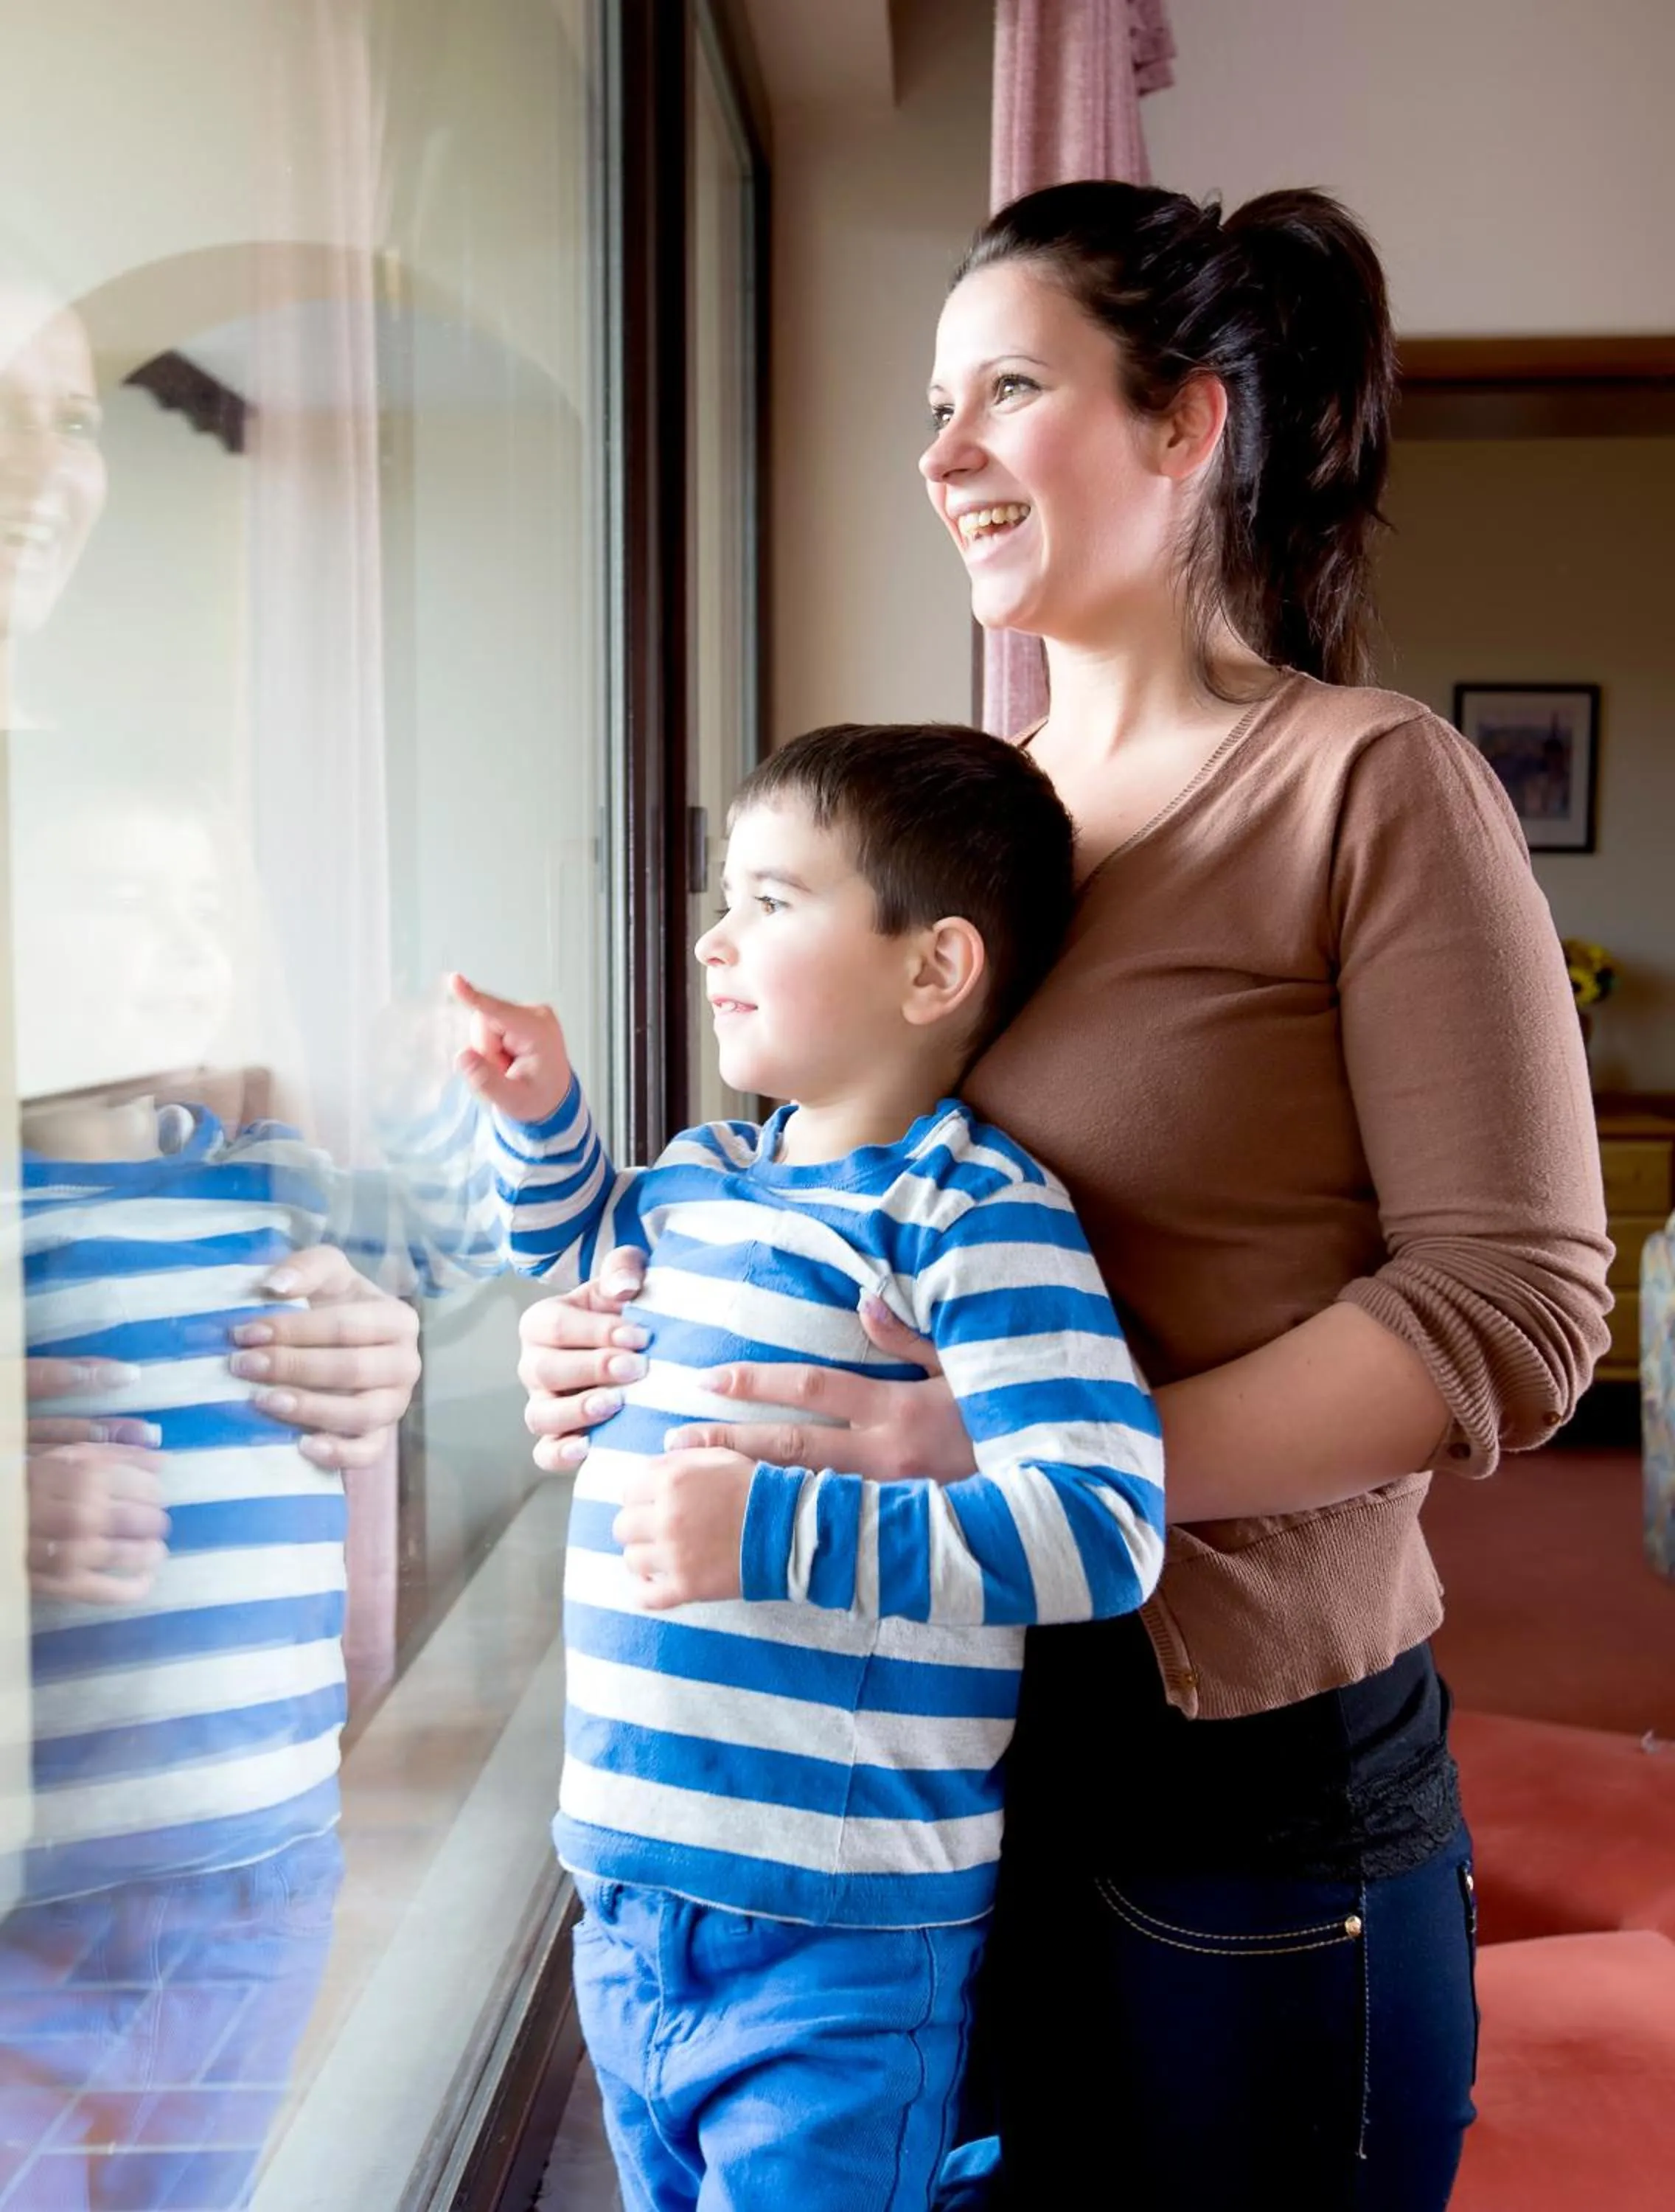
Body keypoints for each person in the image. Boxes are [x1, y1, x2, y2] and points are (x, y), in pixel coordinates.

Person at [514, 182, 1613, 2211]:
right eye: (935, 403)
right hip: (903, 1799)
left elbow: (1516, 1312)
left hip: (1232, 1803)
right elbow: (811, 1170)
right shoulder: (966, 820)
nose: (940, 455)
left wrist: (1028, 1466)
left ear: (1187, 423)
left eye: (1007, 391)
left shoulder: (1362, 788)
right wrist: (623, 1331)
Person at [448, 720, 1166, 2212]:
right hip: (628, 1887)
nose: (715, 940)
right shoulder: (706, 1173)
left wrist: (768, 1532)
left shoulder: (972, 1210)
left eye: (770, 902)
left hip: (840, 1931)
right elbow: (583, 1241)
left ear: (932, 969)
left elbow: (1103, 1526)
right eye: (727, 896)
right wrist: (542, 1115)